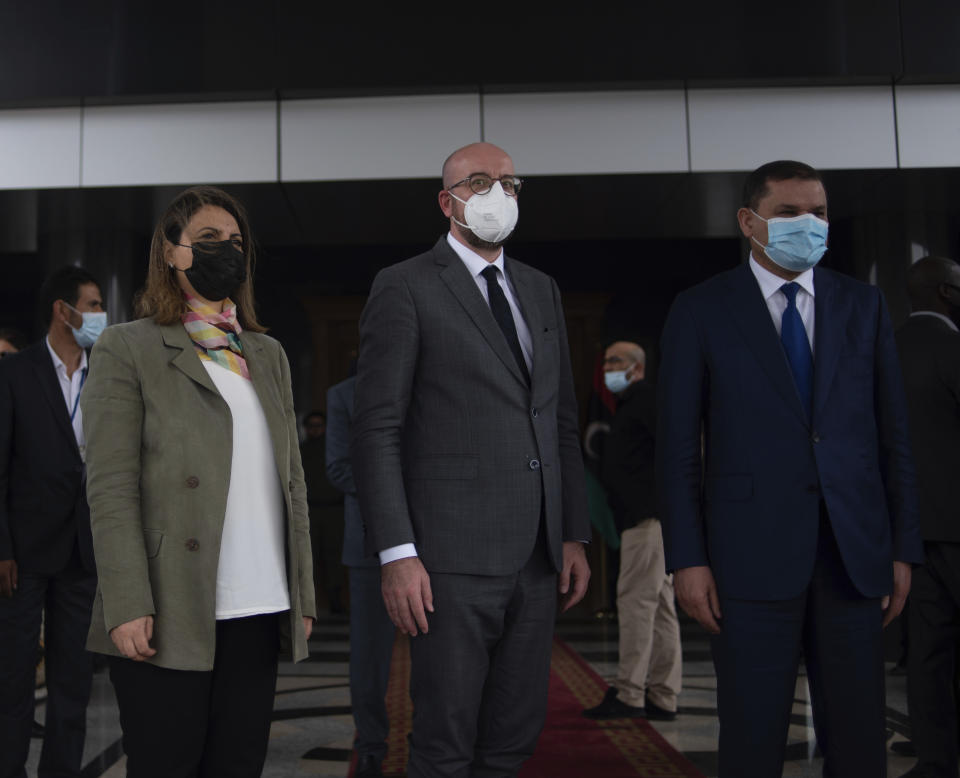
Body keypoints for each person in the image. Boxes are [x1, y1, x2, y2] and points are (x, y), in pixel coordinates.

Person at [657, 160, 923, 777]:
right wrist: (687, 559)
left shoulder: (864, 305)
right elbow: (677, 449)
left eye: (820, 212)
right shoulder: (702, 309)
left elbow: (894, 439)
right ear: (750, 222)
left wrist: (902, 547)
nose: (809, 224)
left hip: (853, 560)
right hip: (745, 565)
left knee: (859, 747)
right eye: (789, 213)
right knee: (752, 744)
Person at [352, 141, 591, 777]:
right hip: (448, 559)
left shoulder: (540, 290)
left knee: (513, 738)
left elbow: (560, 419)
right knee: (444, 740)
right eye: (479, 181)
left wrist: (571, 532)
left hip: (537, 558)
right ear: (446, 200)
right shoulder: (403, 286)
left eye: (510, 184)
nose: (497, 195)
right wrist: (397, 554)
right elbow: (376, 428)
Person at [80, 186, 316, 778]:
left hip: (260, 603)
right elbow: (110, 487)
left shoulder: (266, 354)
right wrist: (127, 601)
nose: (226, 252)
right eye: (209, 240)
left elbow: (293, 484)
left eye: (235, 242)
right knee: (167, 764)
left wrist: (304, 594)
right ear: (172, 251)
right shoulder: (127, 347)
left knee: (238, 766)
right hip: (169, 604)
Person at [0, 265, 105, 778]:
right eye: (92, 305)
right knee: (13, 678)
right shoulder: (15, 373)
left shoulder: (107, 373)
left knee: (73, 684)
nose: (99, 316)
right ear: (62, 312)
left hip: (83, 553)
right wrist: (1, 547)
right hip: (20, 554)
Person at [583, 341, 681, 722]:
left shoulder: (646, 402)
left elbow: (672, 455)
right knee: (660, 608)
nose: (607, 367)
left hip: (649, 520)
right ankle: (663, 695)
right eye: (605, 360)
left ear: (637, 368)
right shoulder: (631, 405)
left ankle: (630, 694)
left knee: (637, 602)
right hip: (647, 520)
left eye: (616, 361)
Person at [896, 256, 960, 778]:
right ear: (947, 292)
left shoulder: (880, 351)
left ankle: (935, 759)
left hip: (908, 531)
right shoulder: (955, 347)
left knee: (927, 650)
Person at [326, 373, 396, 778]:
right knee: (370, 657)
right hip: (369, 541)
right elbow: (338, 470)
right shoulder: (343, 394)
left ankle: (435, 740)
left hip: (437, 540)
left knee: (441, 656)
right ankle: (371, 744)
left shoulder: (434, 380)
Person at [301, 410, 346, 614]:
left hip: (333, 509)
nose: (315, 430)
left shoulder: (335, 450)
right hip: (310, 509)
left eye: (319, 425)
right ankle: (310, 603)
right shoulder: (301, 451)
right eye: (312, 426)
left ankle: (335, 600)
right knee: (308, 556)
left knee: (334, 555)